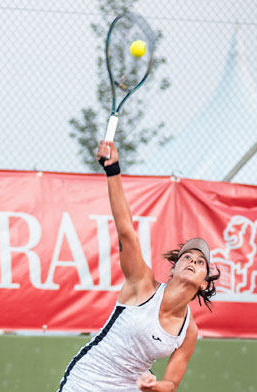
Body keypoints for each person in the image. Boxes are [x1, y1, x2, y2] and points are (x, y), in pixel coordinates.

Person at [57, 140, 220, 392]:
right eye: (186, 257)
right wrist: (113, 170)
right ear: (173, 269)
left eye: (200, 262)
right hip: (87, 380)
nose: (192, 261)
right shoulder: (142, 284)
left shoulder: (188, 331)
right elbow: (125, 230)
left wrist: (154, 386)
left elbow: (172, 383)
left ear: (204, 282)